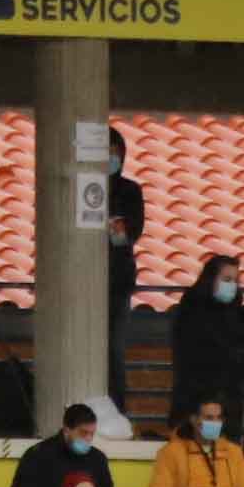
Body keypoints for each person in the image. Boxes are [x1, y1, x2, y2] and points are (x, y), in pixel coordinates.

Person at [165, 254, 244, 432]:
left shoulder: (235, 314)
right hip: (194, 402)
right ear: (210, 279)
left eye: (235, 280)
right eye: (226, 279)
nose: (231, 285)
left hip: (229, 406)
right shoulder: (192, 310)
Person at [102, 131, 146, 412]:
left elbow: (134, 230)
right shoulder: (81, 189)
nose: (111, 157)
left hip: (117, 282)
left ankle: (117, 410)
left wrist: (119, 230)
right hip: (82, 283)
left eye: (115, 152)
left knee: (114, 351)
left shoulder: (130, 191)